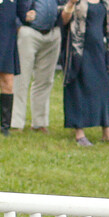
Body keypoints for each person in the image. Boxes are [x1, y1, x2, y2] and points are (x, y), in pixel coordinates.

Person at [60, 0, 109, 146]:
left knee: (104, 88)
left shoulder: (103, 2)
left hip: (98, 51)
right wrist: (70, 4)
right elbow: (64, 20)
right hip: (78, 51)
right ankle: (79, 134)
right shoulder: (78, 2)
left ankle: (107, 133)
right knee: (78, 89)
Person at [12, 0, 61, 133]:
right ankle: (15, 123)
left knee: (45, 80)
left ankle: (39, 123)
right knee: (21, 78)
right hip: (28, 31)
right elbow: (8, 6)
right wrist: (19, 26)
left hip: (52, 34)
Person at [0, 0, 35, 136]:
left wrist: (30, 15)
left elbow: (22, 14)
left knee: (8, 81)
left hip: (7, 38)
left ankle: (4, 126)